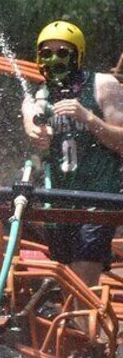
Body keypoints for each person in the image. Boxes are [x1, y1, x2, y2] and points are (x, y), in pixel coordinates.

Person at [22, 20, 123, 288]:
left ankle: (79, 329)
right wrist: (36, 135)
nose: (54, 59)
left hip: (98, 200)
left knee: (80, 283)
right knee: (64, 285)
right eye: (47, 53)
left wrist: (89, 118)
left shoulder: (104, 85)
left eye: (62, 52)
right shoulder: (39, 97)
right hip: (58, 204)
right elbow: (30, 123)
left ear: (76, 55)